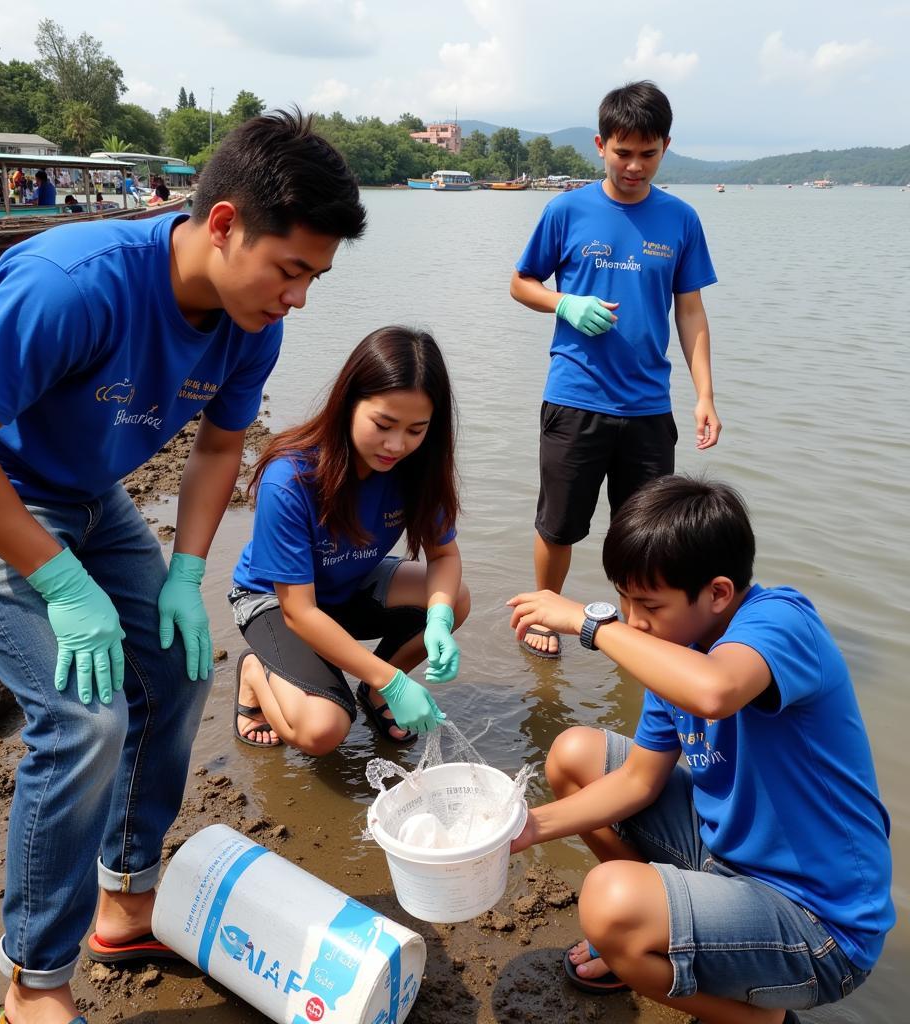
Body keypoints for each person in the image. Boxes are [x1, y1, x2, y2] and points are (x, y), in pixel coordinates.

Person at [0, 109, 365, 1024]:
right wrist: (63, 584)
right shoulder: (74, 284)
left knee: (180, 669)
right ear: (223, 223)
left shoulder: (249, 320)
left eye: (316, 277)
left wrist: (187, 573)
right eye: (291, 269)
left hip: (84, 484)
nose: (298, 297)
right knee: (81, 717)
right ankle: (33, 982)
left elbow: (221, 449)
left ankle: (126, 901)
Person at [507, 475, 893, 1024]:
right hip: (728, 865)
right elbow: (638, 780)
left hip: (821, 927)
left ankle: (757, 1015)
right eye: (621, 599)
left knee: (608, 902)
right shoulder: (675, 649)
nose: (632, 619)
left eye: (647, 604)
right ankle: (656, 939)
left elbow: (714, 691)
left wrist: (592, 625)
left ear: (717, 593)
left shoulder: (781, 621)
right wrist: (530, 826)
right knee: (574, 756)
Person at [510, 80, 722, 659]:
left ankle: (637, 629)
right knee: (558, 525)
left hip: (650, 406)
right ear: (601, 145)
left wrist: (705, 394)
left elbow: (691, 310)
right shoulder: (566, 209)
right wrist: (564, 303)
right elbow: (520, 283)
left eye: (647, 154)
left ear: (665, 148)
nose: (634, 166)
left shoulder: (680, 219)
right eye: (622, 152)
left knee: (648, 535)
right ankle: (543, 613)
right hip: (576, 395)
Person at [229, 326, 467, 751]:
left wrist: (439, 620)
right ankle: (254, 675)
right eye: (384, 424)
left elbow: (444, 556)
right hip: (275, 601)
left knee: (454, 597)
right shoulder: (291, 477)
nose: (397, 445)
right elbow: (299, 612)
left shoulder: (418, 470)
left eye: (416, 430)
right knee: (323, 731)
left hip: (348, 586)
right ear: (349, 403)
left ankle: (375, 694)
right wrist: (394, 678)